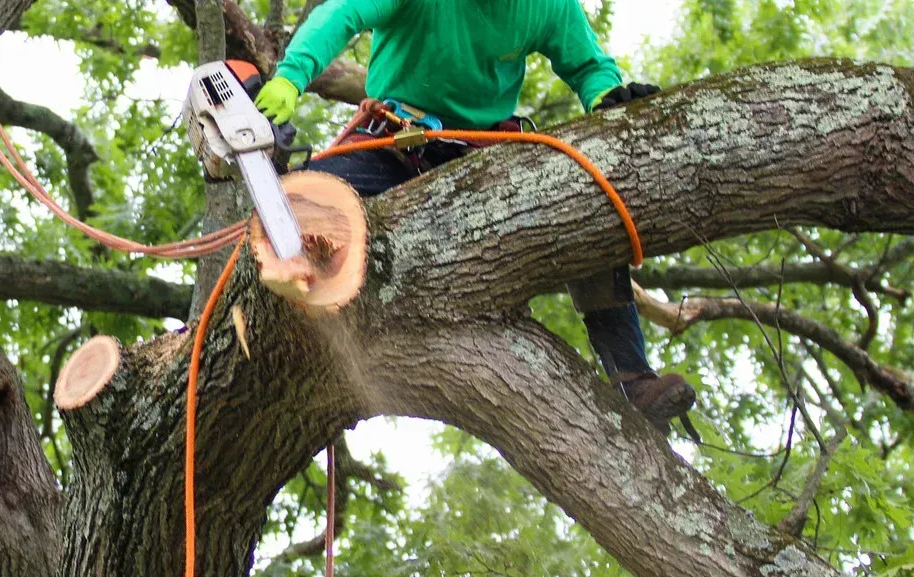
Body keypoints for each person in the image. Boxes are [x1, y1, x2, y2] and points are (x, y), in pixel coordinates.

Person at [253, 0, 695, 428]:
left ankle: (632, 378)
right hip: (394, 145)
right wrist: (292, 77)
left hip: (483, 159)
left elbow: (587, 66)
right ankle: (265, 330)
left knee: (586, 199)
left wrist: (605, 97)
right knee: (301, 207)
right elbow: (342, 12)